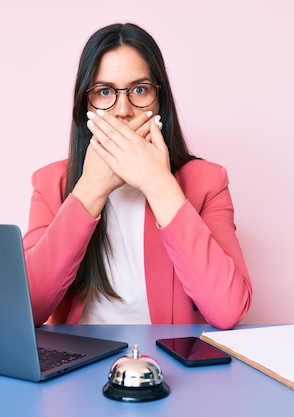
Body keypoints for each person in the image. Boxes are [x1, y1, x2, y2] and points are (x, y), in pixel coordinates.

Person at [23, 23, 252, 330]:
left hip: (165, 366)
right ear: (84, 106)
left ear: (160, 101)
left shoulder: (208, 182)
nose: (122, 110)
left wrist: (158, 185)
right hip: (79, 366)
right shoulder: (52, 184)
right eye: (105, 92)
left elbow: (228, 311)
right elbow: (28, 309)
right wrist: (90, 189)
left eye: (139, 90)